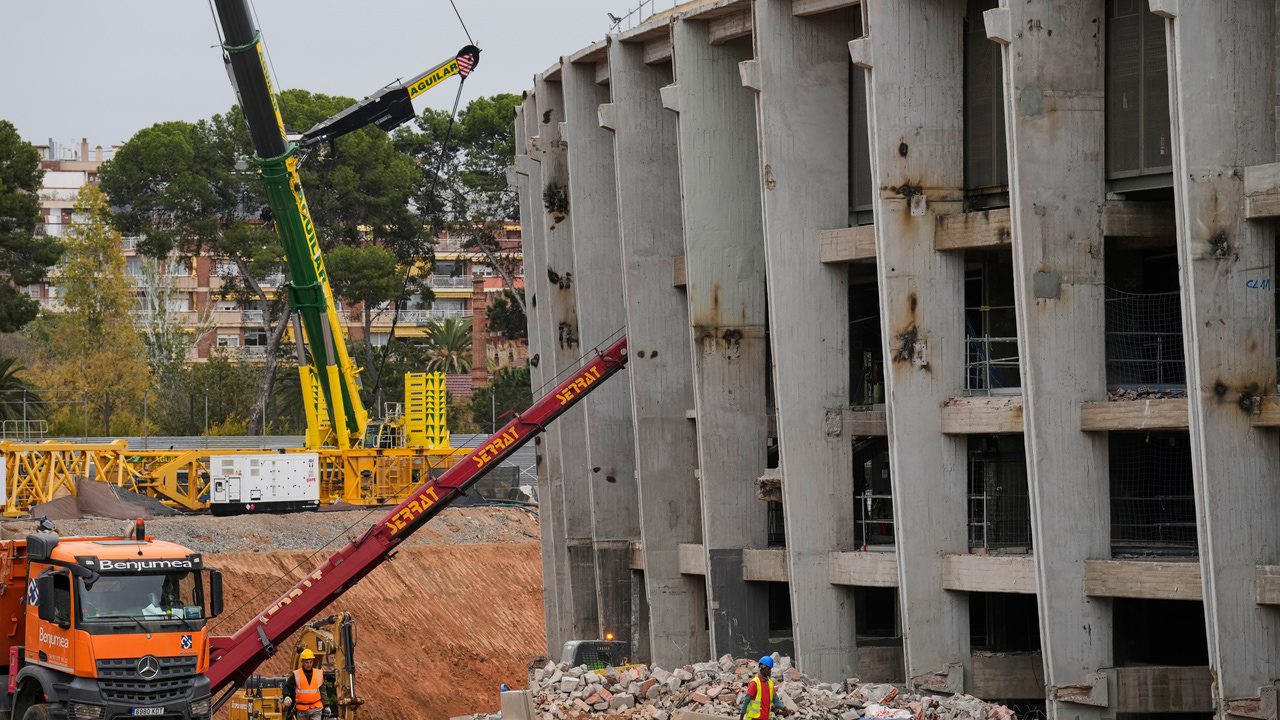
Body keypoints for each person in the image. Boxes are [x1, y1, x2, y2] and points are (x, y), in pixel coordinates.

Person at [282, 649, 327, 720]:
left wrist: (327, 705)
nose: (309, 664)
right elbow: (287, 687)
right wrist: (286, 696)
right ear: (302, 662)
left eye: (310, 662)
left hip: (316, 708)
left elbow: (323, 691)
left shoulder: (319, 673)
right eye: (306, 662)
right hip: (302, 709)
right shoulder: (296, 674)